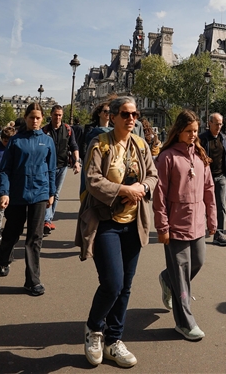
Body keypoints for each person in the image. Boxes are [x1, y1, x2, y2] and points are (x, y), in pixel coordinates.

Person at [77, 96, 158, 367]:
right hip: (106, 222)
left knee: (125, 287)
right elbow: (92, 179)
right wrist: (125, 190)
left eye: (135, 114)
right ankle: (93, 328)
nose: (131, 118)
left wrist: (143, 188)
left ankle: (114, 340)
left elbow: (153, 176)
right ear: (112, 117)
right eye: (125, 114)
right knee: (112, 283)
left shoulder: (141, 144)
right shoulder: (99, 143)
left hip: (133, 223)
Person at [154, 109, 217, 342]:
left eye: (195, 131)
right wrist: (162, 226)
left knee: (197, 262)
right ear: (179, 131)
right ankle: (185, 323)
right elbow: (159, 194)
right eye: (189, 131)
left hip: (197, 221)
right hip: (175, 223)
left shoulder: (200, 155)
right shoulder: (167, 157)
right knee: (181, 273)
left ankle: (167, 279)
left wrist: (213, 220)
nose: (193, 135)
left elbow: (209, 190)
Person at [0, 103, 56, 297]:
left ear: (42, 118)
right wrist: (4, 192)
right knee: (12, 233)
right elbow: (4, 169)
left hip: (39, 193)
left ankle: (32, 281)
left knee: (35, 238)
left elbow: (52, 169)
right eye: (32, 117)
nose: (35, 121)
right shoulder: (16, 141)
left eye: (39, 118)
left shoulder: (47, 141)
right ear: (26, 117)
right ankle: (3, 259)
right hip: (18, 192)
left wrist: (51, 192)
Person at [42, 105, 81, 235]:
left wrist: (76, 161)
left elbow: (74, 145)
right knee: (49, 192)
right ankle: (46, 220)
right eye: (55, 115)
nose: (57, 117)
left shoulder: (68, 129)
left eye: (60, 115)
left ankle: (48, 218)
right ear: (51, 115)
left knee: (56, 193)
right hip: (47, 166)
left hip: (62, 165)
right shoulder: (45, 130)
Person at [199, 112, 226, 247]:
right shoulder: (202, 139)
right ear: (209, 123)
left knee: (221, 206)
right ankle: (200, 230)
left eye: (221, 124)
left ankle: (219, 233)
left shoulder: (224, 138)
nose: (219, 126)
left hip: (220, 177)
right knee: (204, 206)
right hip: (206, 178)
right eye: (216, 124)